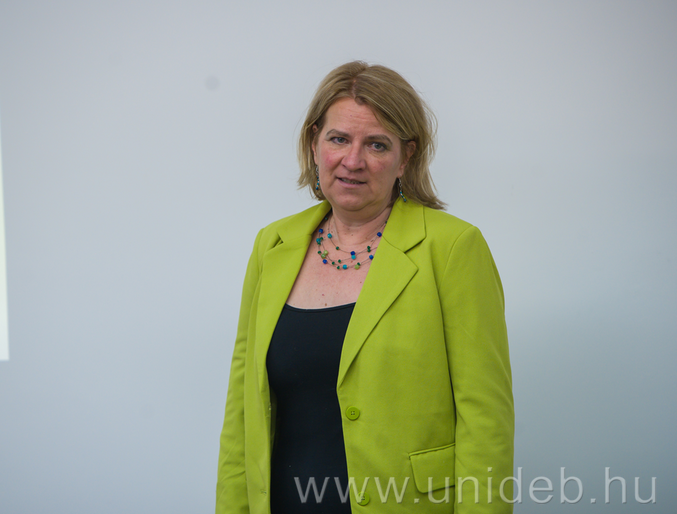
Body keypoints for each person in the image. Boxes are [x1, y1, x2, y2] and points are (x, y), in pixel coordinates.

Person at [216, 61, 514, 513]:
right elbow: (242, 413)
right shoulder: (272, 246)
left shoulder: (453, 248)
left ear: (406, 157)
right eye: (339, 139)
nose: (353, 161)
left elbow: (485, 422)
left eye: (376, 144)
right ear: (314, 142)